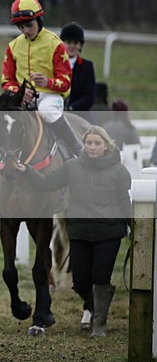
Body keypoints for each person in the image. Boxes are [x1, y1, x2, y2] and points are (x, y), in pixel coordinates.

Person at [17, 126, 132, 337]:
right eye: (89, 143)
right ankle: (96, 306)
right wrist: (28, 171)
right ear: (84, 145)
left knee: (100, 278)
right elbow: (47, 183)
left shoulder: (118, 171)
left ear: (106, 145)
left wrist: (134, 228)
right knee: (80, 283)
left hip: (108, 233)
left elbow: (125, 202)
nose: (93, 147)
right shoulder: (72, 167)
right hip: (79, 232)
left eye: (97, 143)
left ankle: (99, 325)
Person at [0, 0, 84, 177]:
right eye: (21, 27)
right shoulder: (13, 46)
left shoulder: (56, 44)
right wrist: (18, 93)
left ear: (38, 19)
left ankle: (77, 148)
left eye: (29, 25)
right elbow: (7, 80)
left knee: (48, 112)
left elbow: (66, 82)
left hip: (50, 96)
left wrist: (47, 82)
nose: (25, 30)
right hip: (21, 97)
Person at [61, 22, 96, 124]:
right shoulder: (53, 64)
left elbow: (89, 97)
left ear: (80, 45)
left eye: (75, 43)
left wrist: (71, 108)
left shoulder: (87, 66)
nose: (72, 46)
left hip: (79, 113)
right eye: (68, 42)